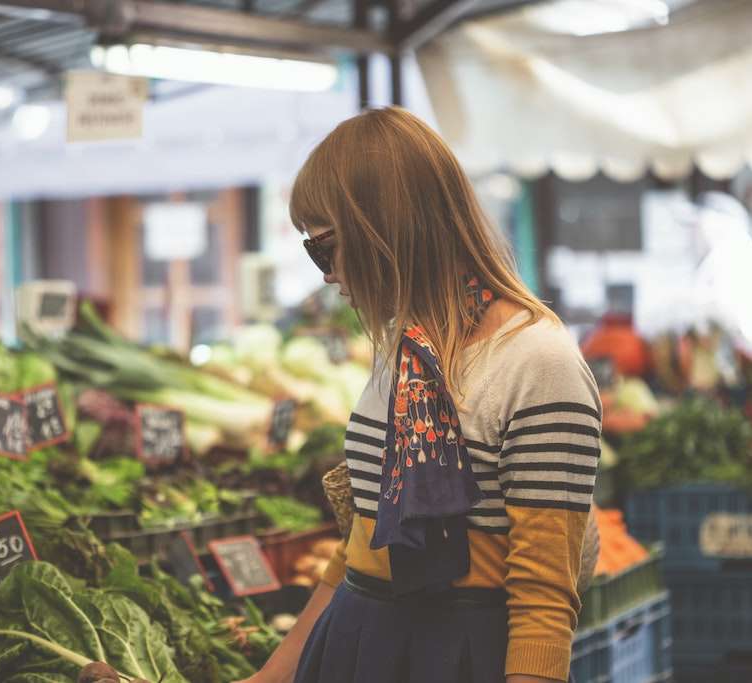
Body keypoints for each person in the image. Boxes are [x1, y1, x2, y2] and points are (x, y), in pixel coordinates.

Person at [240, 108, 600, 683]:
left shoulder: (538, 362)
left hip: (458, 654)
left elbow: (544, 597)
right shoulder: (405, 350)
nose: (326, 274)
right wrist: (270, 676)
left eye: (324, 247)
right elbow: (360, 544)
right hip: (356, 641)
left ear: (384, 231)